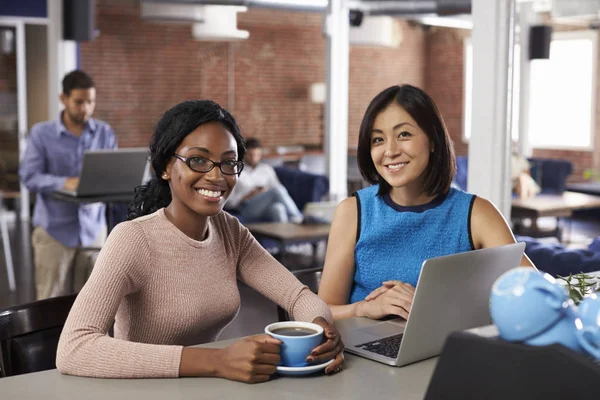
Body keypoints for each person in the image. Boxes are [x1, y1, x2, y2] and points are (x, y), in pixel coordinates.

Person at [56, 100, 344, 381]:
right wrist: (216, 362)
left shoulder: (230, 231)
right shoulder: (133, 239)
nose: (217, 176)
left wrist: (321, 329)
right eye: (198, 160)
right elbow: (74, 348)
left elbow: (298, 296)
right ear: (166, 167)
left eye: (228, 163)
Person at [317, 84, 535, 321]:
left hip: (448, 348)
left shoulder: (476, 214)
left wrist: (429, 305)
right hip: (363, 351)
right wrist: (363, 308)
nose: (389, 151)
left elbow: (534, 292)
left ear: (433, 140)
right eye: (378, 139)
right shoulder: (353, 212)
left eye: (404, 135)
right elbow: (322, 310)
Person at [19, 70, 117, 300]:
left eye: (90, 102)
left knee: (93, 301)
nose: (85, 108)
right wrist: (65, 182)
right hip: (54, 232)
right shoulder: (41, 134)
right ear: (63, 99)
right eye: (79, 102)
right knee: (50, 304)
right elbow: (29, 176)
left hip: (94, 232)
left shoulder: (104, 132)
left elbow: (112, 173)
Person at [225, 138, 303, 223]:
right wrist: (246, 196)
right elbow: (228, 202)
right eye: (250, 155)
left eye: (257, 155)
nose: (253, 158)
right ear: (244, 154)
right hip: (246, 208)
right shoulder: (235, 171)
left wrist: (265, 191)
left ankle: (284, 235)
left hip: (265, 205)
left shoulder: (267, 169)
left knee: (278, 208)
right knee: (277, 191)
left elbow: (278, 189)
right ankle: (298, 217)